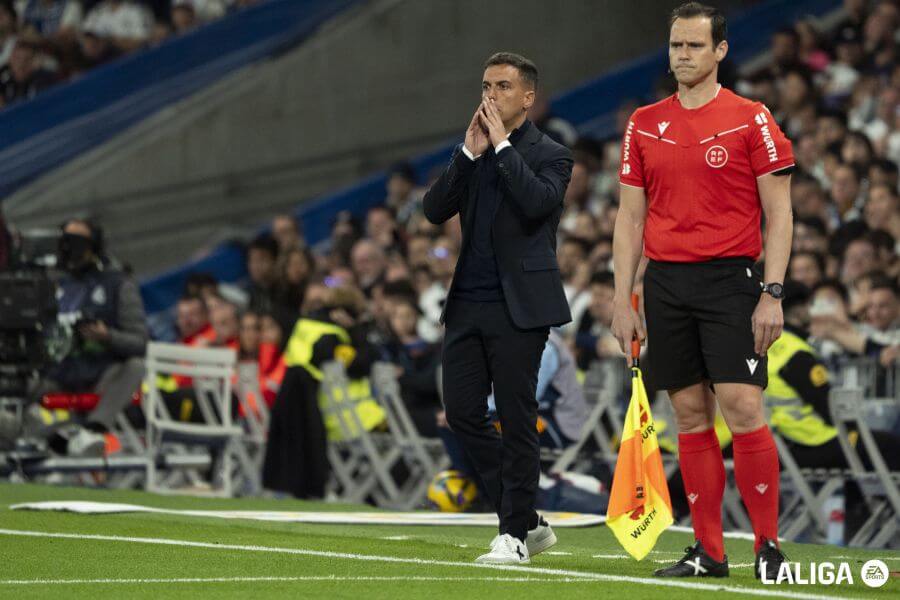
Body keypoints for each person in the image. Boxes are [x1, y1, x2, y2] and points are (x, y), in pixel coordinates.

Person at [611, 3, 794, 580]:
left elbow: (781, 214)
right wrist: (623, 298)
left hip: (731, 280)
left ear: (720, 51)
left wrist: (773, 292)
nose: (681, 56)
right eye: (675, 46)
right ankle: (710, 553)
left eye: (693, 46)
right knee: (690, 417)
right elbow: (629, 219)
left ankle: (768, 546)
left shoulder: (751, 117)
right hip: (665, 283)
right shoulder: (643, 121)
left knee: (742, 407)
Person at [423, 51, 573, 564]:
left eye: (502, 87)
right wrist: (467, 153)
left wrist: (502, 147)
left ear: (527, 97)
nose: (490, 95)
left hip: (521, 308)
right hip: (467, 301)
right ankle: (525, 517)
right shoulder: (476, 151)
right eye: (486, 85)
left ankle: (513, 535)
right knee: (463, 413)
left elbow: (535, 204)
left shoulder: (551, 153)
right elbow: (433, 209)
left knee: (515, 413)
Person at [34, 218, 147, 455]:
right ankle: (26, 437)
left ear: (93, 246)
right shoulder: (54, 286)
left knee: (135, 366)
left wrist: (108, 336)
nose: (68, 248)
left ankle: (92, 431)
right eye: (64, 241)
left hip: (102, 376)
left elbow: (140, 343)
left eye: (76, 242)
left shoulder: (118, 284)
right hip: (61, 375)